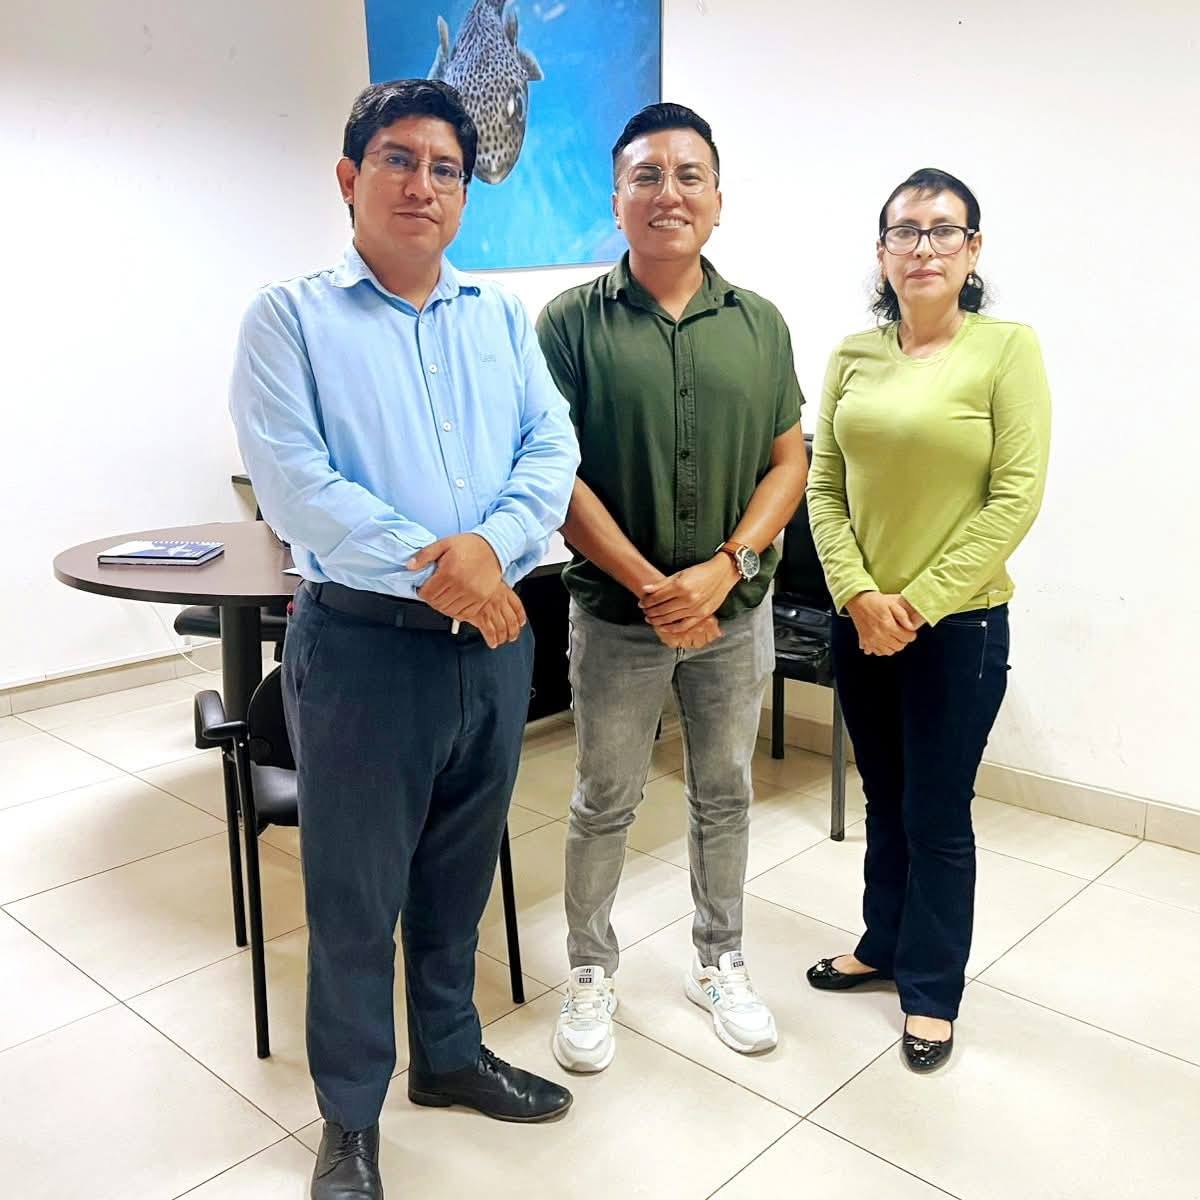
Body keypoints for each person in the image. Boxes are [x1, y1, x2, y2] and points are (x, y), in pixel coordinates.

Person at [229, 79, 580, 1199]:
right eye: (398, 159)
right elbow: (297, 485)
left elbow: (551, 448)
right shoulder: (289, 319)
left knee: (457, 875)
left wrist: (494, 550)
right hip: (365, 650)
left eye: (445, 169)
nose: (422, 184)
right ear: (349, 177)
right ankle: (350, 1119)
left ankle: (449, 1056)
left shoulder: (499, 319)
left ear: (464, 195)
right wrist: (450, 568)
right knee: (354, 897)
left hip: (495, 645)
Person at [536, 103, 809, 1073]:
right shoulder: (569, 324)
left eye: (689, 175)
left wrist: (725, 567)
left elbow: (789, 461)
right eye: (646, 175)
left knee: (724, 791)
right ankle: (589, 970)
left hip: (734, 613)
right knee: (604, 797)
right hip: (619, 618)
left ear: (718, 199)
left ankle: (718, 959)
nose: (669, 193)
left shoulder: (761, 324)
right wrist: (656, 587)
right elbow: (553, 474)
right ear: (616, 199)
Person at [805, 168, 1051, 1072]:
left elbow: (1015, 497)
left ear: (972, 250)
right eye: (904, 232)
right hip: (860, 619)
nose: (923, 248)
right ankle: (884, 943)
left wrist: (912, 604)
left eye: (944, 231)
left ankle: (932, 988)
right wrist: (858, 595)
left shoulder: (1007, 351)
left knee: (937, 811)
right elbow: (823, 487)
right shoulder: (852, 355)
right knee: (884, 797)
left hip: (958, 629)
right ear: (882, 253)